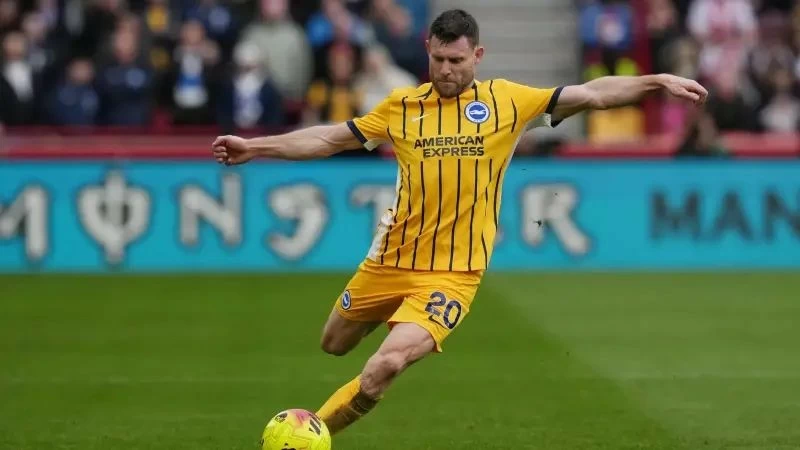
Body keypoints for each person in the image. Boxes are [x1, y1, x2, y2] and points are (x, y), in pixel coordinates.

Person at [211, 8, 707, 438]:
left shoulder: (508, 102)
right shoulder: (402, 107)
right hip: (390, 260)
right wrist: (255, 147)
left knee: (385, 365)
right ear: (427, 50)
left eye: (457, 61)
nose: (447, 70)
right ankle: (378, 328)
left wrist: (656, 81)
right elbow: (328, 139)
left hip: (453, 275)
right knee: (333, 343)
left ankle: (309, 434)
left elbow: (593, 93)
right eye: (439, 60)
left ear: (478, 56)